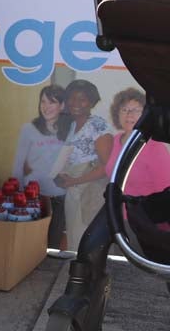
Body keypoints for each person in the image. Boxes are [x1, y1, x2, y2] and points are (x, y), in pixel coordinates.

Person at [54, 80, 113, 251]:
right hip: (74, 191)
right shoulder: (72, 124)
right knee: (73, 237)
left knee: (87, 240)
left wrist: (75, 180)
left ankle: (89, 276)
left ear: (92, 102)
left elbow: (106, 167)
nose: (76, 103)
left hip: (90, 193)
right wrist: (61, 176)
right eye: (72, 98)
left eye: (82, 99)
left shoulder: (98, 126)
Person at [11, 85, 71, 249]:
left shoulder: (70, 130)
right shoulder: (28, 129)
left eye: (52, 102)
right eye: (43, 102)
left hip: (60, 196)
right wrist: (17, 193)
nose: (46, 107)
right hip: (34, 196)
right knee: (32, 243)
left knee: (53, 242)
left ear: (62, 106)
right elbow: (18, 164)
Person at [104, 88, 170, 198]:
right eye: (124, 110)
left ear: (145, 116)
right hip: (116, 210)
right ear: (117, 114)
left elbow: (165, 189)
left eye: (136, 110)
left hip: (143, 212)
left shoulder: (156, 147)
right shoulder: (113, 141)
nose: (129, 114)